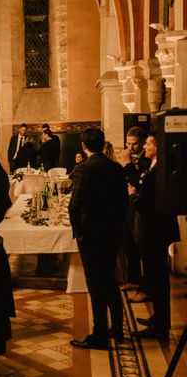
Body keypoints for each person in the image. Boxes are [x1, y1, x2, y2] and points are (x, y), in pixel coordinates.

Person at [69, 127, 127, 350]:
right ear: (103, 144)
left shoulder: (84, 169)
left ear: (84, 146)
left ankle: (100, 334)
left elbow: (74, 206)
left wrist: (78, 232)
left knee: (95, 284)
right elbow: (124, 202)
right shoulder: (115, 168)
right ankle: (118, 329)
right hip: (112, 232)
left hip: (91, 234)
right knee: (109, 279)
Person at [128, 135, 180, 340]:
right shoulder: (153, 166)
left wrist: (132, 194)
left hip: (155, 231)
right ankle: (159, 318)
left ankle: (161, 326)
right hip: (155, 230)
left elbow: (144, 204)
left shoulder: (159, 172)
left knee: (158, 279)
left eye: (149, 143)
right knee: (155, 277)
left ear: (158, 147)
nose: (145, 146)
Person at [118, 126, 151, 300]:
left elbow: (137, 183)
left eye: (135, 144)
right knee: (128, 242)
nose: (130, 148)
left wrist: (127, 165)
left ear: (143, 143)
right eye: (128, 143)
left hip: (140, 207)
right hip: (127, 207)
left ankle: (146, 286)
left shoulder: (147, 160)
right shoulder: (127, 158)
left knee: (141, 248)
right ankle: (134, 279)